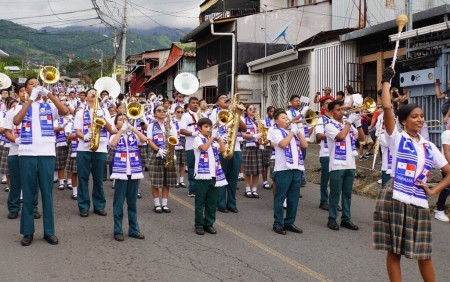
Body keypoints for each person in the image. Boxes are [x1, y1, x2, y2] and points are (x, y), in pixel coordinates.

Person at [373, 67, 450, 282]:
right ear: (404, 120)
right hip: (396, 196)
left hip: (419, 201)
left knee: (424, 254)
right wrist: (386, 82)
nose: (420, 120)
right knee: (395, 251)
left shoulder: (429, 146)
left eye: (422, 116)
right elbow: (388, 107)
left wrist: (434, 190)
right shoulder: (397, 138)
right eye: (415, 116)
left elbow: (448, 172)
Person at [13, 77, 69, 246]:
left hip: (46, 153)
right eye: (31, 84)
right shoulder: (19, 105)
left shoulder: (49, 106)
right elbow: (16, 121)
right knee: (29, 193)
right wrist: (31, 99)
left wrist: (49, 94)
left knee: (47, 193)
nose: (35, 86)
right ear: (26, 89)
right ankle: (27, 232)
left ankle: (49, 232)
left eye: (36, 84)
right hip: (27, 154)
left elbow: (65, 111)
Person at [74, 88, 115, 218]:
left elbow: (111, 130)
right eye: (91, 94)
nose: (93, 96)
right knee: (83, 178)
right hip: (83, 148)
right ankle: (83, 206)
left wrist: (103, 117)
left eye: (95, 94)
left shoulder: (104, 111)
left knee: (98, 179)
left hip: (101, 148)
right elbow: (77, 131)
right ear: (86, 97)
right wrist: (85, 136)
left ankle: (99, 206)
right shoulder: (80, 113)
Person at [325, 100, 365, 231]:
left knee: (347, 193)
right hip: (337, 165)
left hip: (350, 163)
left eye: (342, 109)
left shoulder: (347, 124)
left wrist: (358, 124)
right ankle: (332, 218)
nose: (341, 112)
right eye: (338, 110)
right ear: (331, 112)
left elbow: (362, 138)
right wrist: (349, 122)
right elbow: (341, 136)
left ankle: (346, 219)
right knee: (335, 193)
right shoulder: (329, 126)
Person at [110, 113, 147, 241]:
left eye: (125, 119)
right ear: (116, 124)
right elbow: (113, 144)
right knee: (119, 203)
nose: (123, 121)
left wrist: (133, 128)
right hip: (121, 172)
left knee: (132, 203)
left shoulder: (133, 136)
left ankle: (134, 229)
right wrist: (121, 130)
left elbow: (144, 139)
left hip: (134, 171)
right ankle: (118, 230)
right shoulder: (115, 135)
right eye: (120, 120)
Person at [271, 109, 308, 235]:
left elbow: (304, 145)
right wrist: (292, 132)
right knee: (280, 198)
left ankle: (289, 222)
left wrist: (299, 131)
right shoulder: (275, 131)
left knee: (293, 198)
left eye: (287, 117)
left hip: (296, 168)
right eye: (283, 118)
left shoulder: (292, 132)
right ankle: (278, 223)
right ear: (276, 121)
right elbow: (282, 144)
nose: (286, 120)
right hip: (283, 169)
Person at [4, 92, 39, 219]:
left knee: (33, 182)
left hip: (32, 152)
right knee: (15, 182)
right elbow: (6, 131)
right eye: (22, 91)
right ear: (18, 94)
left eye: (27, 90)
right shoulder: (12, 111)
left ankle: (33, 207)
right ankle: (14, 207)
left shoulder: (38, 109)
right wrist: (15, 140)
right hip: (15, 151)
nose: (25, 93)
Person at [210, 94, 246, 213]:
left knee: (233, 177)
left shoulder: (236, 112)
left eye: (226, 97)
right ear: (217, 102)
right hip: (221, 148)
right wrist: (219, 138)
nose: (225, 99)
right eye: (222, 98)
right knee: (221, 176)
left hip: (235, 149)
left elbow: (244, 128)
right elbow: (210, 130)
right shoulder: (214, 114)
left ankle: (231, 203)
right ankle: (220, 203)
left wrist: (237, 115)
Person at [192, 118, 226, 235]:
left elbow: (223, 149)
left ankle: (209, 223)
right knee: (200, 201)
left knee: (212, 202)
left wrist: (219, 138)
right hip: (202, 175)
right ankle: (199, 224)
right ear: (200, 129)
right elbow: (204, 148)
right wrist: (212, 138)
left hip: (214, 175)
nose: (208, 129)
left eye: (209, 127)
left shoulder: (212, 141)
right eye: (206, 127)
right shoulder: (197, 139)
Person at [147, 104, 178, 213]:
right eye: (159, 110)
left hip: (168, 154)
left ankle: (164, 204)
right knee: (155, 181)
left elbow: (175, 138)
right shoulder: (151, 125)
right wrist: (158, 150)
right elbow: (149, 140)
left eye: (163, 110)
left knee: (166, 180)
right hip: (156, 154)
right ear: (155, 113)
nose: (162, 112)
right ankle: (157, 204)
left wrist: (172, 152)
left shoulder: (170, 124)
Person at [241, 104, 264, 198]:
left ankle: (254, 189)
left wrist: (262, 141)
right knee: (247, 169)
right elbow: (242, 134)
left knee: (257, 169)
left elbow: (263, 132)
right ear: (246, 110)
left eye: (254, 108)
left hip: (257, 146)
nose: (253, 110)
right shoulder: (244, 120)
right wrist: (253, 136)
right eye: (250, 108)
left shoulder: (259, 120)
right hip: (247, 145)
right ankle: (247, 189)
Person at [180, 97, 200, 197]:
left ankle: (201, 188)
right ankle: (192, 189)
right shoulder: (185, 116)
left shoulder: (202, 115)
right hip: (190, 145)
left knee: (201, 166)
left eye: (197, 103)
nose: (195, 105)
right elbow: (182, 130)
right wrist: (193, 133)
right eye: (193, 103)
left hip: (201, 145)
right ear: (189, 104)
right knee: (191, 167)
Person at [315, 98, 332, 211]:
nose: (330, 104)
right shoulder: (321, 120)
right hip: (325, 153)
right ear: (323, 107)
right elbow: (319, 136)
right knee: (325, 178)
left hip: (337, 153)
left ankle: (333, 201)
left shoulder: (338, 119)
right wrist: (333, 135)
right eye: (327, 103)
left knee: (336, 179)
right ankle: (324, 201)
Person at [435, 125, 450, 222]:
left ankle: (439, 207)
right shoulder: (447, 133)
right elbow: (446, 152)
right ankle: (439, 210)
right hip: (447, 166)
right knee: (447, 188)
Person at [261, 106, 275, 190]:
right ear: (267, 112)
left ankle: (274, 182)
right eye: (271, 111)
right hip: (266, 145)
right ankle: (265, 182)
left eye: (274, 111)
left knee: (274, 164)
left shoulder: (277, 121)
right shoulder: (263, 121)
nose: (272, 113)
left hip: (275, 144)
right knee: (265, 164)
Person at [173, 105, 186, 188]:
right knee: (175, 162)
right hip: (175, 141)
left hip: (183, 141)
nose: (180, 113)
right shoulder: (172, 120)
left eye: (182, 112)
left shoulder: (184, 120)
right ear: (175, 112)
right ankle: (176, 180)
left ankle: (181, 180)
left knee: (183, 162)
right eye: (178, 112)